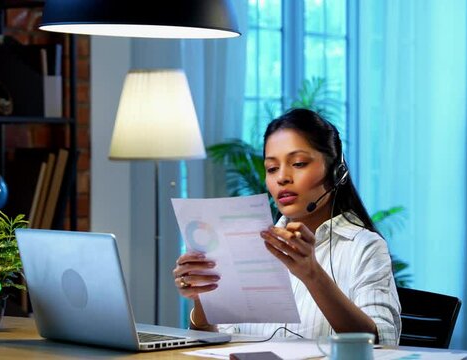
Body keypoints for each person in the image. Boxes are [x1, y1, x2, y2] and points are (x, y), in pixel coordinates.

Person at [172, 108, 401, 345]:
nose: (282, 177)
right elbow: (223, 339)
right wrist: (203, 301)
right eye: (271, 168)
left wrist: (312, 274)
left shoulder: (365, 247)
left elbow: (382, 344)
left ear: (336, 172)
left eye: (298, 163)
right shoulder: (248, 244)